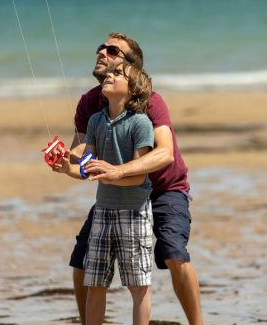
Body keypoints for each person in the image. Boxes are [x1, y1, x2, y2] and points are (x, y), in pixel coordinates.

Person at [61, 32, 203, 325]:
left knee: (174, 253)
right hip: (117, 195)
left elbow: (164, 154)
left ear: (132, 69)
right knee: (81, 261)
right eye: (101, 47)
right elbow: (83, 152)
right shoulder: (89, 103)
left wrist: (119, 171)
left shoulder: (151, 102)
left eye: (112, 50)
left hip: (165, 188)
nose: (102, 52)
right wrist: (64, 158)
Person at [54, 62, 155, 325]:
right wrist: (68, 168)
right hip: (102, 212)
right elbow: (88, 169)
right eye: (109, 73)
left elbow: (139, 175)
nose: (109, 75)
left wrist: (112, 173)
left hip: (134, 213)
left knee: (138, 285)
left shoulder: (141, 123)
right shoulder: (96, 120)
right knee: (95, 283)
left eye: (118, 74)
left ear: (133, 90)